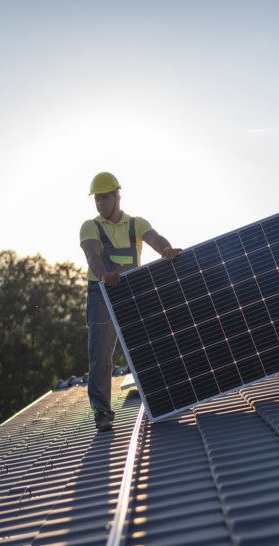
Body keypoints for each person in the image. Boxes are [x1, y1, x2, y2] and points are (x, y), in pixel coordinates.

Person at [80, 171, 181, 432]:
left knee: (147, 347)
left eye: (105, 197)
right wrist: (104, 274)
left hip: (131, 291)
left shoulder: (136, 224)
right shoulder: (90, 226)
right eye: (97, 199)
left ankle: (164, 398)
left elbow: (155, 239)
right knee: (101, 355)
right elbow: (92, 254)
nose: (100, 203)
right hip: (101, 293)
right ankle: (102, 412)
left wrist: (166, 250)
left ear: (117, 195)